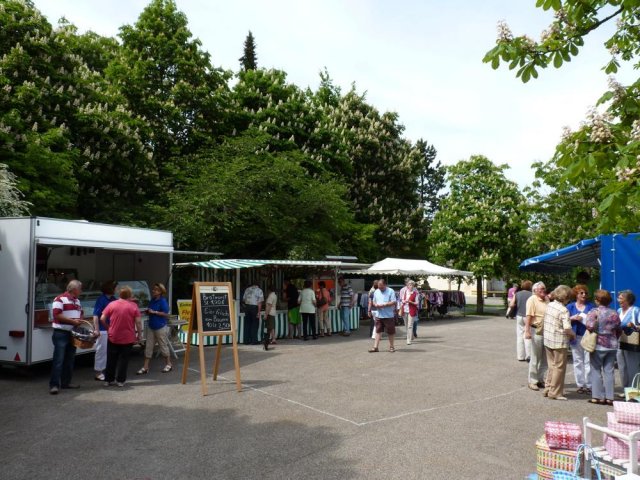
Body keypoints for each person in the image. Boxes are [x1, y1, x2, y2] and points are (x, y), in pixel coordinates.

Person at [101, 285, 143, 387]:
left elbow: (102, 318)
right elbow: (138, 322)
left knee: (111, 359)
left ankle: (108, 379)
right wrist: (140, 335)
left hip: (113, 336)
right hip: (128, 337)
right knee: (124, 360)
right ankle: (120, 381)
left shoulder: (112, 304)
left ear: (119, 294)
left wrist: (108, 328)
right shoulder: (133, 306)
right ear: (129, 295)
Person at [586, 289, 621, 405]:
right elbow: (618, 328)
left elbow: (589, 327)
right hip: (612, 345)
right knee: (609, 371)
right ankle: (610, 397)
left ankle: (598, 397)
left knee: (595, 370)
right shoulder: (614, 313)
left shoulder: (593, 312)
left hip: (598, 344)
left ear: (597, 300)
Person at [49, 280, 84, 394]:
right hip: (61, 333)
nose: (81, 291)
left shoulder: (77, 301)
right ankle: (54, 385)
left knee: (70, 359)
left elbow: (80, 313)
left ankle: (66, 383)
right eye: (80, 289)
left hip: (72, 333)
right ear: (74, 289)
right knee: (59, 360)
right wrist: (73, 322)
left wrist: (79, 321)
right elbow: (57, 315)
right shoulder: (59, 299)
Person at [542, 285, 576, 400]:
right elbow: (567, 328)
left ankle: (548, 388)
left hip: (548, 339)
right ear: (566, 297)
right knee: (559, 367)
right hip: (559, 341)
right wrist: (572, 334)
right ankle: (555, 392)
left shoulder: (550, 305)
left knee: (552, 365)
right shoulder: (563, 310)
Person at [137, 283, 172, 375]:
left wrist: (155, 312)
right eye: (154, 289)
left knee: (163, 345)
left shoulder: (163, 301)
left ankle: (168, 364)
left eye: (156, 290)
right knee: (148, 346)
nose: (153, 291)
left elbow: (166, 314)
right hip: (151, 326)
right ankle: (145, 367)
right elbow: (150, 310)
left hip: (160, 326)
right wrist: (147, 312)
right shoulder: (152, 300)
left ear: (160, 292)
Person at [566, 284, 595, 395]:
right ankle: (580, 384)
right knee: (578, 361)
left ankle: (589, 385)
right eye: (581, 293)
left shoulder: (591, 306)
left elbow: (595, 320)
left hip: (587, 336)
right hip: (574, 336)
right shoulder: (570, 306)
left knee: (588, 361)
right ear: (576, 295)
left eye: (585, 293)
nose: (584, 295)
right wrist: (572, 318)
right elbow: (563, 320)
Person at [524, 281, 548, 391]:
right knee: (535, 357)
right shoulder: (532, 300)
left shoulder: (547, 299)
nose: (543, 290)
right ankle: (532, 381)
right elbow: (528, 316)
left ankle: (540, 379)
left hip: (546, 331)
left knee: (544, 358)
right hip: (536, 330)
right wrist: (527, 331)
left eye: (544, 288)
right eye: (541, 289)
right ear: (535, 291)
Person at [92, 280, 116, 381]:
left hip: (111, 329)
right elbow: (96, 315)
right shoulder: (101, 299)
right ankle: (98, 372)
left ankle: (105, 370)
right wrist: (96, 329)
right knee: (101, 351)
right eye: (116, 287)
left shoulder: (113, 299)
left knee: (109, 351)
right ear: (111, 289)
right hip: (102, 329)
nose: (117, 289)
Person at [617, 290, 640, 394]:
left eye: (621, 298)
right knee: (622, 367)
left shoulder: (636, 310)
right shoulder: (618, 311)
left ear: (628, 300)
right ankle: (626, 390)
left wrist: (634, 326)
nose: (619, 300)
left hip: (632, 343)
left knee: (633, 367)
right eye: (619, 298)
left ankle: (634, 392)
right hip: (620, 341)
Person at [369, 279, 396, 353]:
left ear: (385, 285)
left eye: (381, 287)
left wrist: (385, 305)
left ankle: (391, 347)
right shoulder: (376, 291)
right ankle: (375, 347)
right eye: (379, 287)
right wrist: (375, 304)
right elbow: (373, 301)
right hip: (379, 315)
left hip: (388, 315)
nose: (380, 289)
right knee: (378, 331)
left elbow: (393, 301)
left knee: (390, 332)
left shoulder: (391, 291)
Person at [512, 280, 532, 362]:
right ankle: (529, 355)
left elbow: (511, 304)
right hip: (528, 316)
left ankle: (520, 356)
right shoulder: (532, 295)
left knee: (519, 336)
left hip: (519, 316)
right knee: (527, 335)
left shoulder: (517, 294)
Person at [401, 280, 419, 345]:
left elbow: (417, 303)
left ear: (413, 286)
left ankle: (408, 340)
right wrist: (404, 301)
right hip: (405, 309)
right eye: (409, 285)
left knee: (410, 326)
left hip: (412, 310)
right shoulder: (405, 292)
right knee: (406, 325)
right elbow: (402, 299)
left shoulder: (415, 293)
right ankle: (411, 336)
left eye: (411, 285)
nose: (410, 286)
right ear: (407, 286)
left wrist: (411, 302)